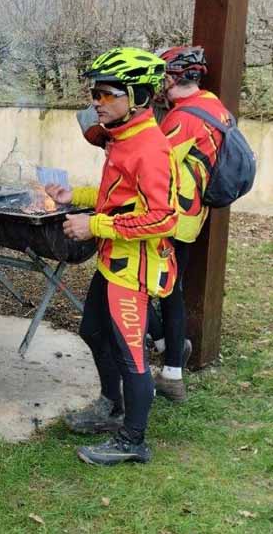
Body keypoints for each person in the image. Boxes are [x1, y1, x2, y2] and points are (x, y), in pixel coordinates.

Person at [46, 47, 178, 465]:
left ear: (137, 96)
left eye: (106, 94)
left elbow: (163, 218)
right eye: (94, 94)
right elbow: (116, 197)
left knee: (131, 354)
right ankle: (111, 405)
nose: (96, 103)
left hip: (134, 269)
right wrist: (76, 196)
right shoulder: (122, 138)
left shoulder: (150, 148)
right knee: (92, 331)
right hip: (112, 261)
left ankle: (133, 440)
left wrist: (94, 226)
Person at [148, 46, 226, 401]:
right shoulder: (213, 105)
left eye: (162, 77)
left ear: (174, 77)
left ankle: (172, 367)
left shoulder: (183, 119)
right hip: (193, 216)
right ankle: (171, 352)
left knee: (151, 286)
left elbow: (152, 162)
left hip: (173, 219)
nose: (159, 85)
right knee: (170, 289)